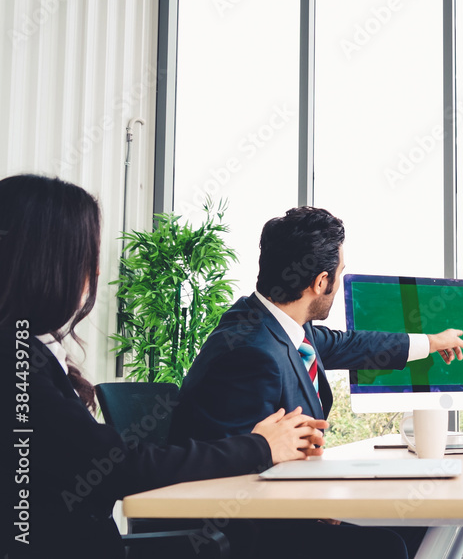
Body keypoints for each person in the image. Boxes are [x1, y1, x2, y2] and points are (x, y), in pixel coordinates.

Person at [0, 175, 341, 559]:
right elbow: (115, 467)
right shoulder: (16, 363)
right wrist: (261, 446)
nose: (95, 273)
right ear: (44, 264)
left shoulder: (33, 352)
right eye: (86, 255)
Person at [169, 206, 463, 444]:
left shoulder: (283, 327)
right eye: (339, 273)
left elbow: (351, 344)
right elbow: (237, 466)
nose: (339, 282)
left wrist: (432, 342)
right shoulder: (251, 353)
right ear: (321, 282)